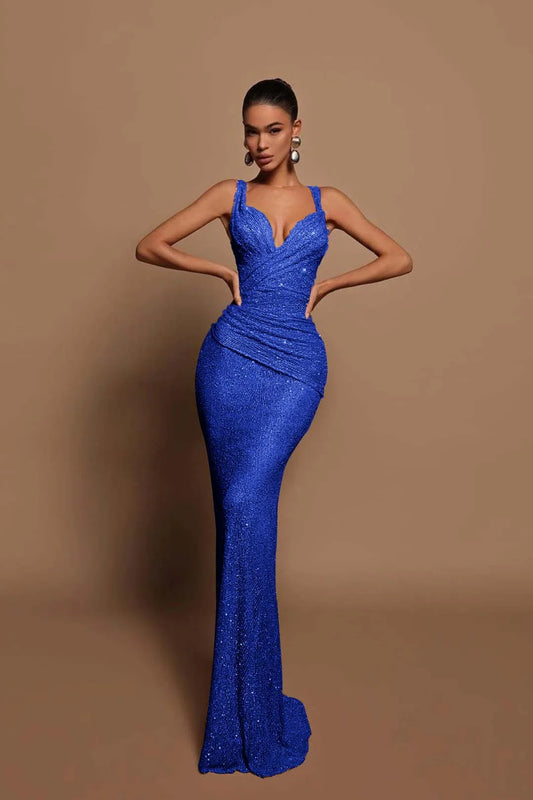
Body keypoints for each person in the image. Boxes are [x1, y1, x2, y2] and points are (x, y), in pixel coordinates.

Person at [135, 77, 413, 778]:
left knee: (244, 502)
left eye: (272, 129)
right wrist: (213, 269)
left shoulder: (328, 202)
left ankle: (253, 709)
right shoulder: (228, 196)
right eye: (250, 130)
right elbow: (150, 245)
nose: (259, 142)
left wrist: (329, 285)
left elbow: (398, 257)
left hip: (295, 367)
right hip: (228, 360)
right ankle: (239, 712)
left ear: (296, 130)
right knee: (240, 514)